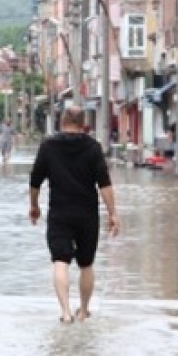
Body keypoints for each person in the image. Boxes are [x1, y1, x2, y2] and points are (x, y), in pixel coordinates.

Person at [29, 104, 119, 324]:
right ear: (83, 124)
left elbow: (35, 180)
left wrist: (34, 206)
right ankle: (84, 311)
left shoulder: (48, 146)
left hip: (60, 213)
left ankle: (66, 312)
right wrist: (113, 213)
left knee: (61, 261)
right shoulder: (93, 147)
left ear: (62, 122)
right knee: (86, 263)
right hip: (87, 214)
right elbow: (104, 183)